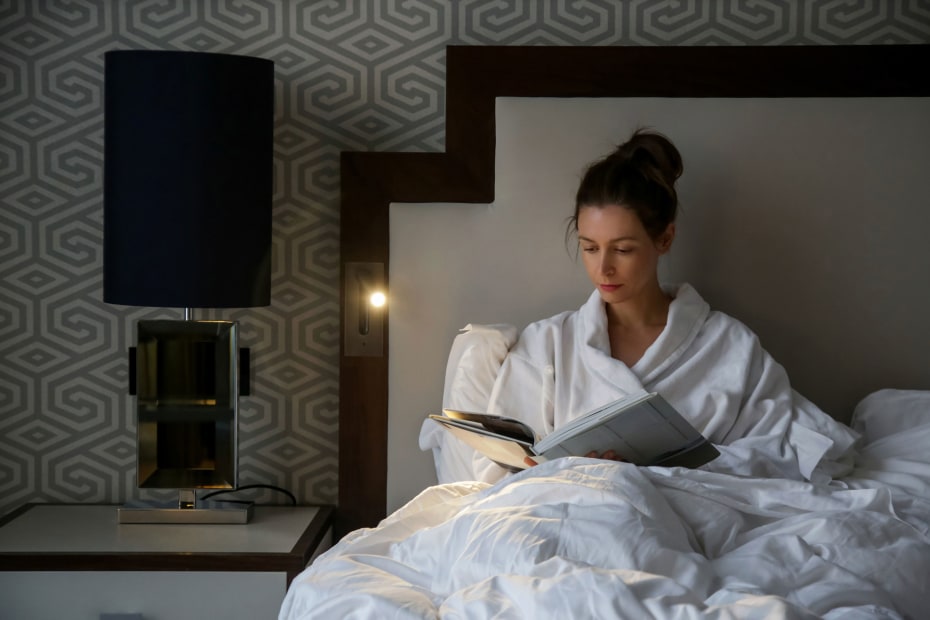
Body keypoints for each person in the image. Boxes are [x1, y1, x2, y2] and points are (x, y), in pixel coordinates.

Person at [474, 128, 859, 484]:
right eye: (589, 247)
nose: (603, 267)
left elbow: (783, 451)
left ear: (665, 238)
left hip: (689, 509)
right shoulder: (548, 344)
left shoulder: (728, 345)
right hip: (574, 509)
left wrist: (655, 472)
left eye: (623, 249)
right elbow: (496, 471)